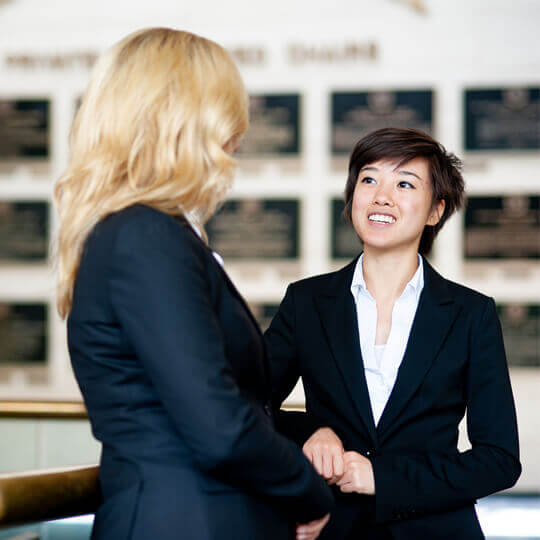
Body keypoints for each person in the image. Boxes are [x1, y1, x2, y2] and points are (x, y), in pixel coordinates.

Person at [54, 27, 333, 540]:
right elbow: (219, 426)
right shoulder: (145, 234)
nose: (238, 137)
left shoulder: (153, 231)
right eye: (229, 113)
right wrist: (309, 492)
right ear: (188, 117)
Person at [265, 127, 521, 539]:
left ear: (435, 210)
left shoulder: (471, 314)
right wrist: (309, 429)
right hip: (331, 528)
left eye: (404, 184)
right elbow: (243, 404)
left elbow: (499, 460)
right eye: (369, 179)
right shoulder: (306, 302)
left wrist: (382, 478)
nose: (381, 196)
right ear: (352, 198)